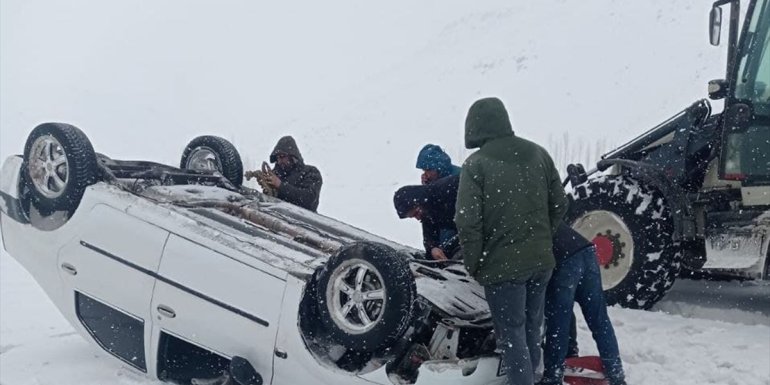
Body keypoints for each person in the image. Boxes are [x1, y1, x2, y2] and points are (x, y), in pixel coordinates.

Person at [454, 97, 567, 385]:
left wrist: (474, 262)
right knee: (532, 328)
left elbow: (468, 221)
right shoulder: (538, 153)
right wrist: (541, 238)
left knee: (512, 335)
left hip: (503, 268)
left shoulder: (476, 164)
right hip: (541, 262)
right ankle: (536, 378)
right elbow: (559, 205)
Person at [540, 223, 626, 385]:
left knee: (558, 322)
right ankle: (615, 372)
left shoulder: (527, 225)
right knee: (599, 318)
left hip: (564, 260)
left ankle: (552, 375)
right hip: (586, 251)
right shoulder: (546, 213)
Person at [393, 174, 461, 260]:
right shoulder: (427, 211)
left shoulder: (448, 188)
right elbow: (429, 233)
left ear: (419, 200)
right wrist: (433, 248)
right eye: (413, 217)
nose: (418, 218)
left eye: (416, 213)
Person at [260, 136, 322, 212]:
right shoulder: (275, 174)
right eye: (277, 158)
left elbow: (309, 200)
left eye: (282, 157)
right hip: (276, 217)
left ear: (293, 156)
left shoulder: (311, 172)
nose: (279, 161)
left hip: (303, 221)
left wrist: (280, 186)